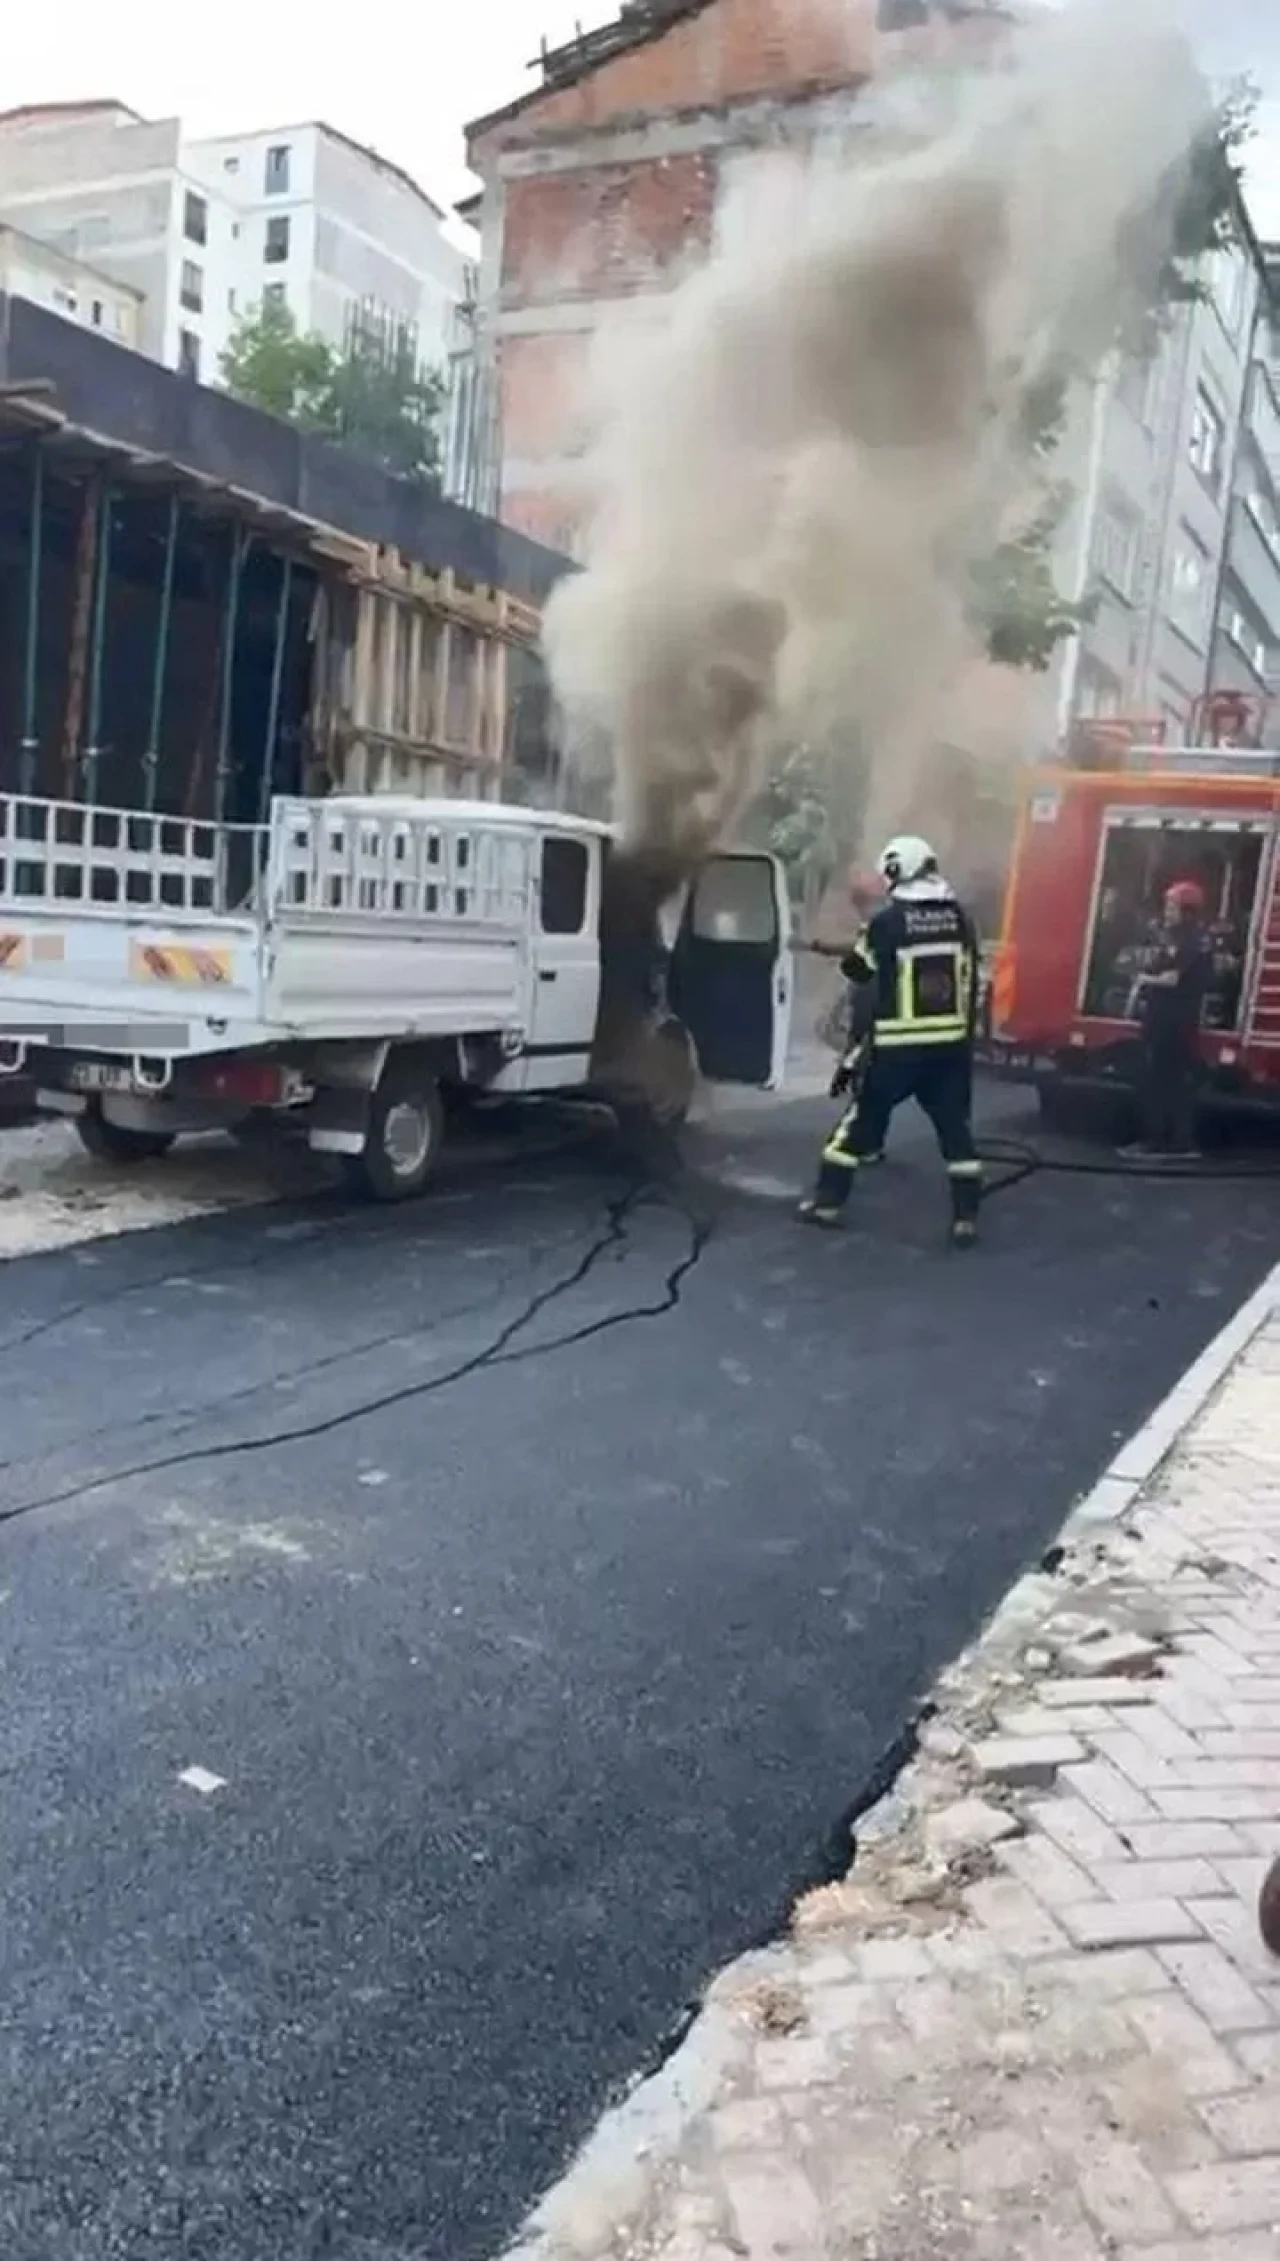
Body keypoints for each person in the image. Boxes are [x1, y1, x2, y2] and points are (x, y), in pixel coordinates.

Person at [798, 834, 983, 1246]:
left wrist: (845, 954)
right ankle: (965, 1218)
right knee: (956, 1133)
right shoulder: (961, 919)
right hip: (950, 1048)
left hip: (898, 1048)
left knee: (856, 1128)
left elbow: (859, 972)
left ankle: (827, 1204)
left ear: (897, 871)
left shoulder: (888, 922)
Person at [1125, 878, 1211, 1158]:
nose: (1166, 910)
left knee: (1159, 1082)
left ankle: (1157, 1143)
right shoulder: (1182, 937)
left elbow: (1172, 978)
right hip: (1172, 1020)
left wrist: (1143, 979)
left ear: (1185, 909)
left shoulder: (1188, 940)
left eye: (1171, 905)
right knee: (1174, 1083)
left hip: (1171, 1022)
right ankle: (1179, 1143)